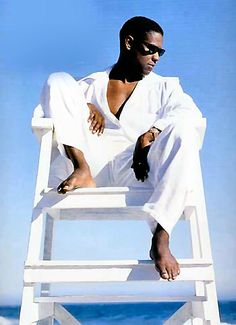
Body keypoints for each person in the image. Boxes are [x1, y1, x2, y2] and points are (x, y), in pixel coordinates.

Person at [40, 16, 204, 281]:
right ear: (129, 43)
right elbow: (53, 101)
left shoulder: (165, 86)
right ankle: (80, 169)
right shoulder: (89, 86)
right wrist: (82, 106)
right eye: (150, 49)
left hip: (138, 170)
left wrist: (150, 133)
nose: (156, 57)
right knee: (58, 79)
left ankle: (161, 235)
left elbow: (189, 113)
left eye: (160, 52)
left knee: (184, 127)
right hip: (93, 167)